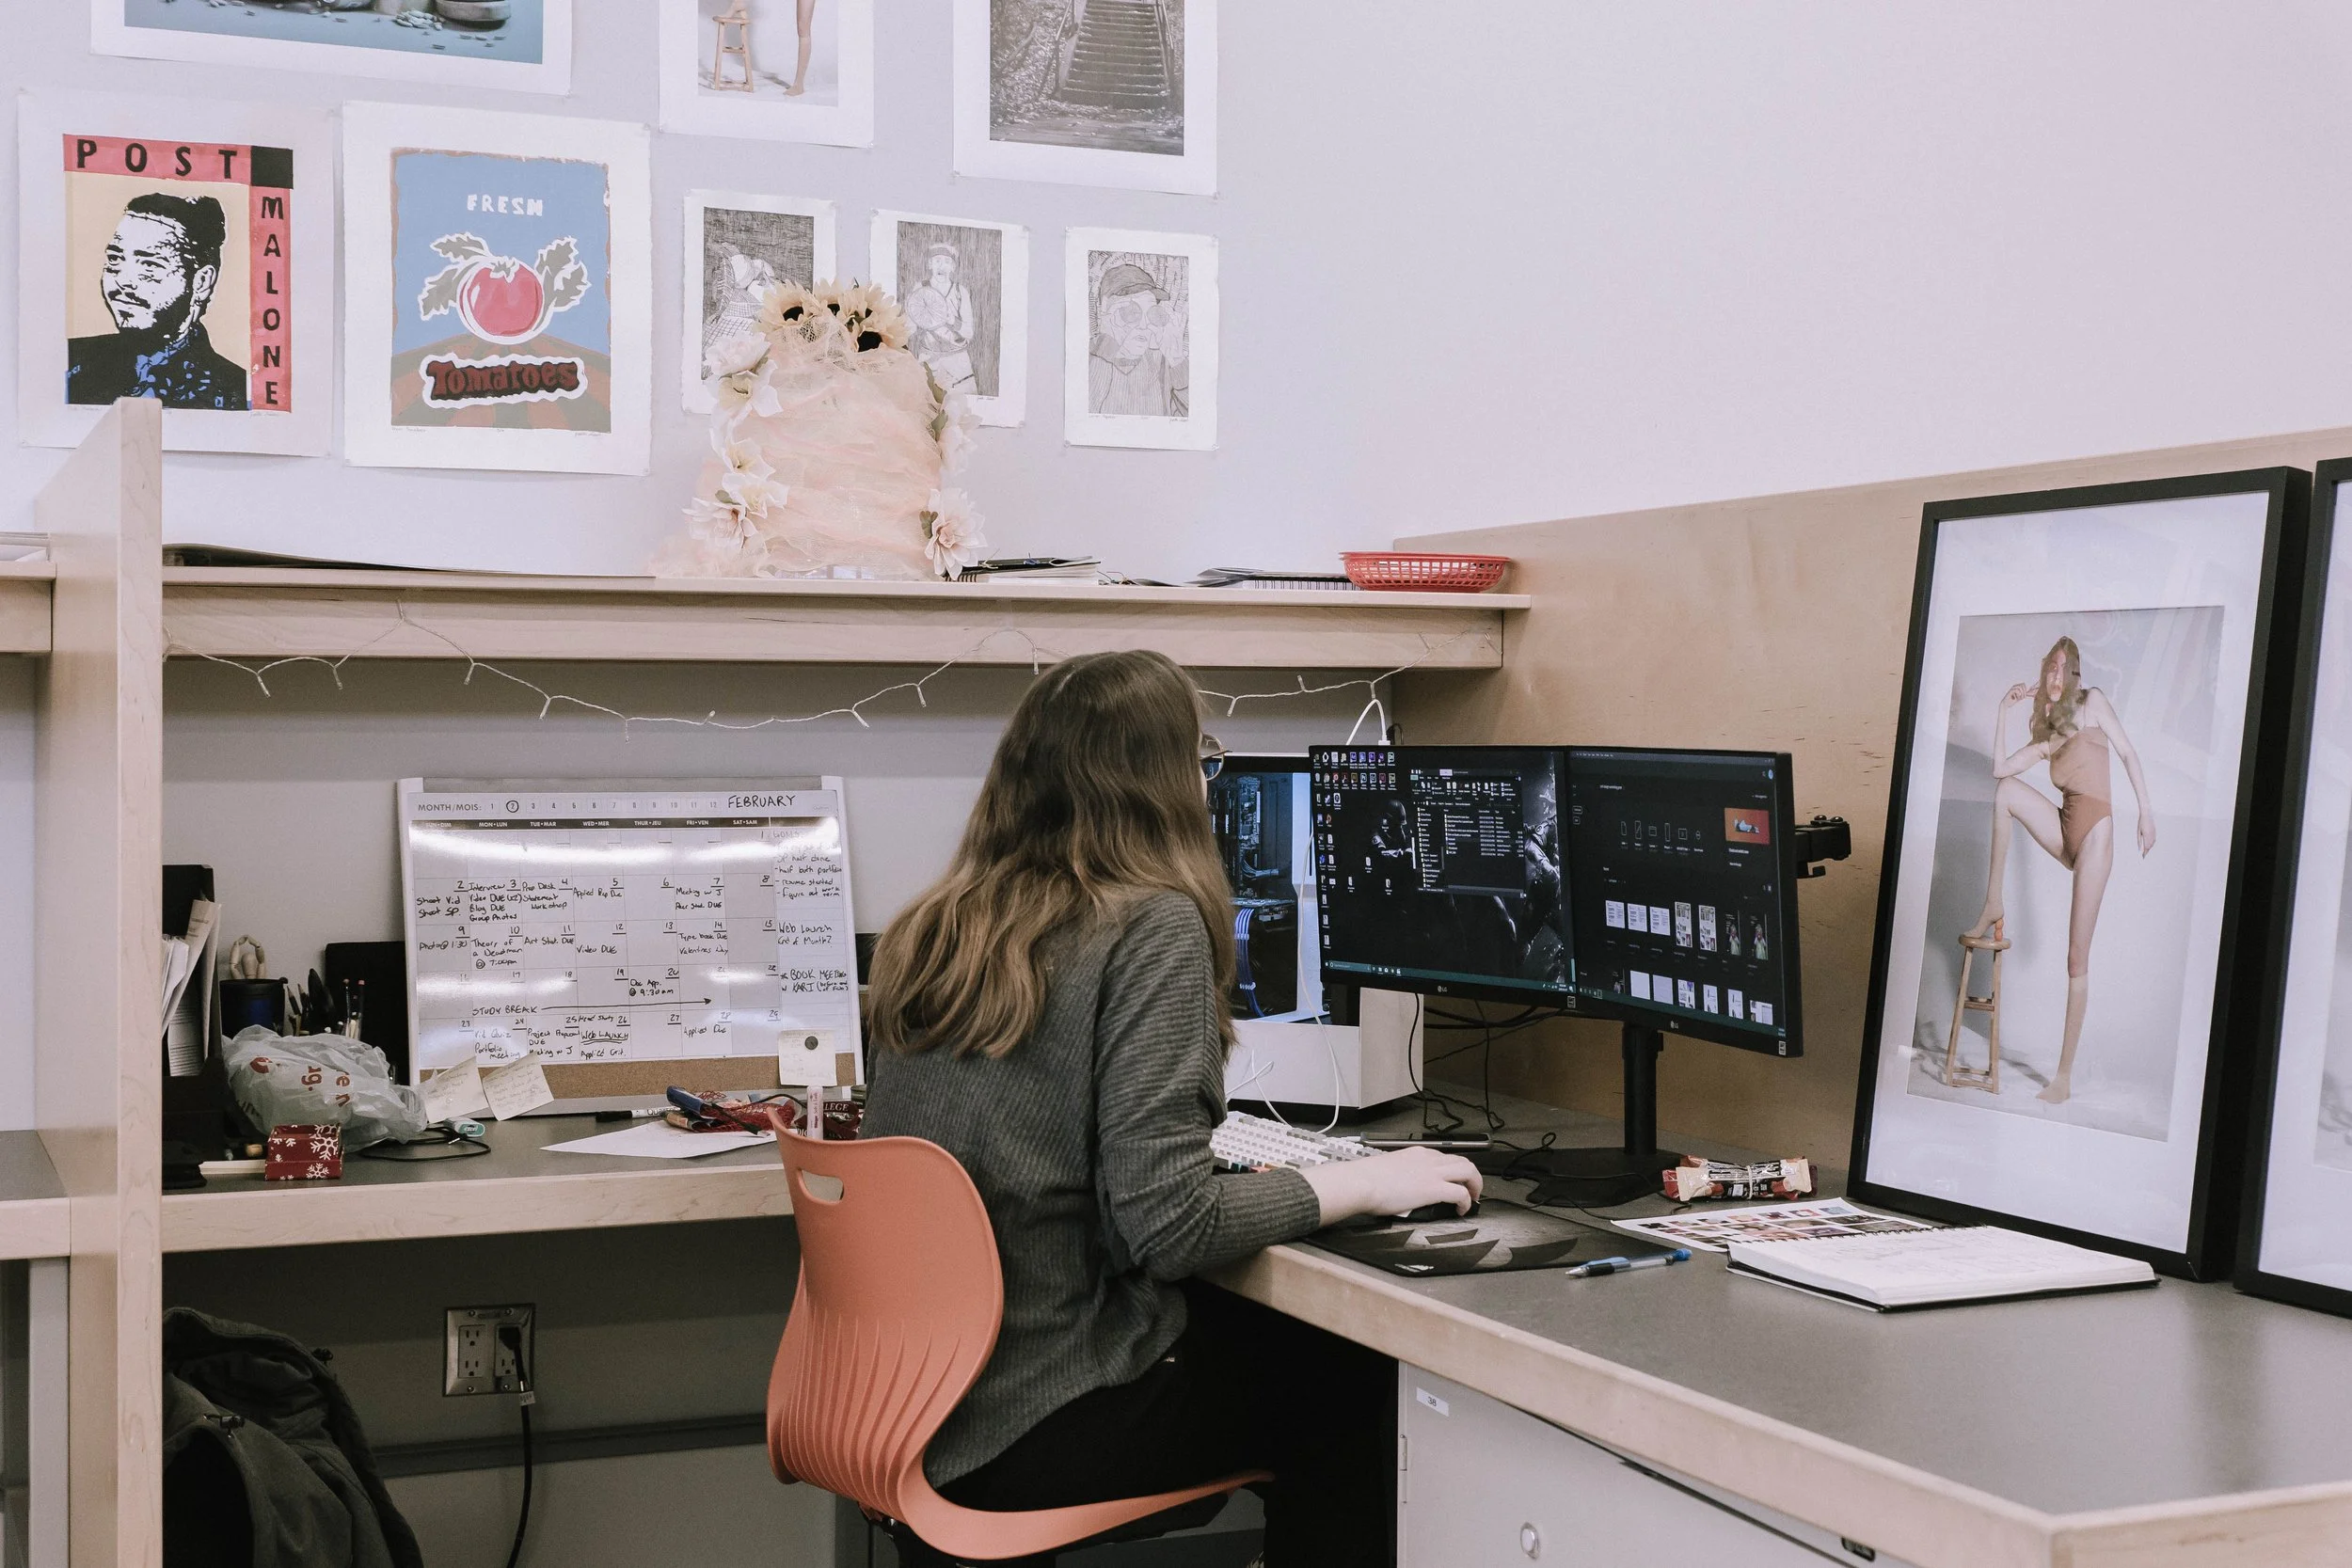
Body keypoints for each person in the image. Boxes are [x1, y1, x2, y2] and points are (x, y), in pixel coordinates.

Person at [861, 649, 1483, 1568]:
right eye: (1201, 753)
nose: (1206, 773)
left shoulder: (935, 920)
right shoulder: (1147, 922)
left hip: (916, 1401)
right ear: (1162, 780)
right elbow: (1170, 1224)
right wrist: (1361, 1180)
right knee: (1358, 1386)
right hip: (1032, 1411)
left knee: (1263, 1340)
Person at [1963, 635, 2156, 1104]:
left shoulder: (2093, 704)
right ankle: (1993, 900)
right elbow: (1998, 769)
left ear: (2073, 676)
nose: (2054, 676)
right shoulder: (2047, 734)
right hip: (2066, 827)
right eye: (2049, 667)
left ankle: (2063, 1078)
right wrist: (2003, 710)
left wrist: (2146, 813)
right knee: (2006, 791)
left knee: (2075, 957)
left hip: (2096, 836)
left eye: (2062, 668)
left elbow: (2128, 753)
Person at [67, 193, 247, 411]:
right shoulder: (70, 361)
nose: (123, 281)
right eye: (115, 259)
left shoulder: (236, 392)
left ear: (201, 282)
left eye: (149, 265)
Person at [1088, 261, 1187, 418]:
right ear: (1107, 310)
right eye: (1131, 312)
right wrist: (1108, 344)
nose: (1144, 325)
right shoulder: (1087, 360)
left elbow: (1196, 421)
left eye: (1150, 313)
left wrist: (1177, 359)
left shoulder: (1160, 362)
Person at [905, 242, 979, 395]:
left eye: (947, 262)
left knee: (964, 406)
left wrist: (952, 321)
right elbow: (909, 326)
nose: (942, 266)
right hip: (928, 357)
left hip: (957, 359)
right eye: (937, 260)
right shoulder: (920, 288)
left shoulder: (960, 291)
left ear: (953, 267)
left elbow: (969, 333)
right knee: (926, 405)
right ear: (930, 264)